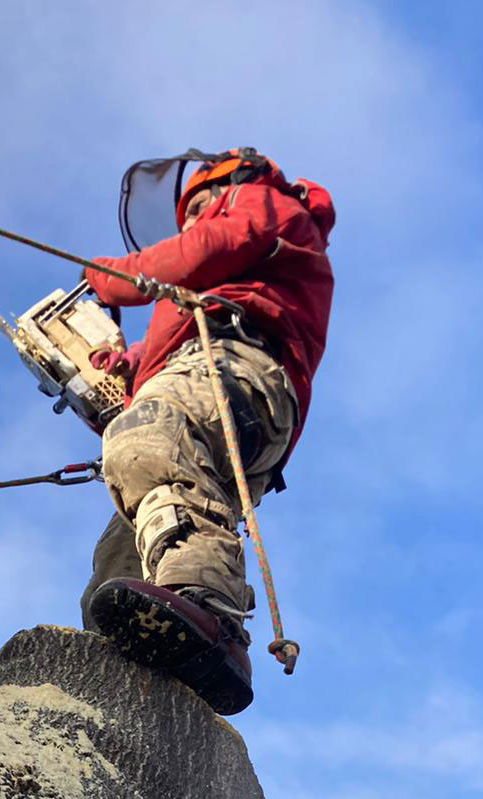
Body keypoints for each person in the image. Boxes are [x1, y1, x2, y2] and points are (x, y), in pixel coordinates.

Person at [81, 150, 335, 714]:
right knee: (123, 555)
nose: (193, 219)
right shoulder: (215, 284)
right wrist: (131, 364)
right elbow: (168, 355)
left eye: (199, 204)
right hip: (218, 394)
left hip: (236, 371)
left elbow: (208, 248)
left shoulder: (265, 205)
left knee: (143, 440)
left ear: (230, 183)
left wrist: (109, 277)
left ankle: (208, 609)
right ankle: (126, 669)